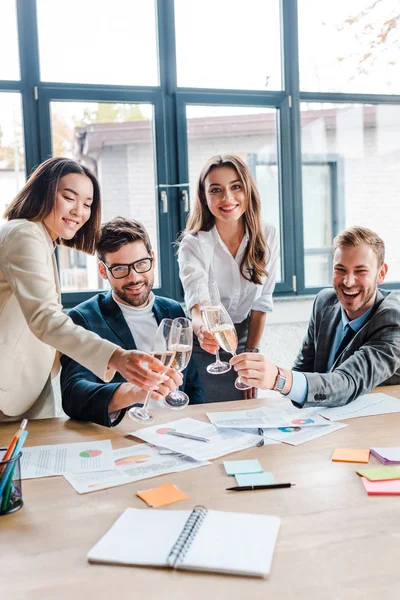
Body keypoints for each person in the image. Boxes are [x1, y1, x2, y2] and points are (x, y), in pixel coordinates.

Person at [0, 158, 175, 422]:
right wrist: (117, 357)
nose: (79, 212)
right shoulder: (25, 234)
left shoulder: (42, 240)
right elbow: (45, 318)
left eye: (87, 204)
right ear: (44, 192)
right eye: (69, 198)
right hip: (8, 386)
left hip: (26, 383)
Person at [231, 226, 400, 407]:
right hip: (325, 419)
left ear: (381, 274)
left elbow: (347, 382)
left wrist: (277, 378)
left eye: (360, 271)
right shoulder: (324, 302)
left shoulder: (392, 320)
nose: (348, 282)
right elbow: (302, 370)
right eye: (340, 269)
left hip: (375, 425)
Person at [61, 217, 204, 427]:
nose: (134, 277)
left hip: (177, 429)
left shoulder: (172, 310)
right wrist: (134, 392)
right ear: (103, 271)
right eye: (120, 269)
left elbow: (191, 384)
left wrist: (198, 424)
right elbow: (73, 395)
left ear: (152, 259)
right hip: (124, 435)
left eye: (141, 264)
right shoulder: (83, 318)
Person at [178, 153, 279, 402]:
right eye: (216, 190)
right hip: (204, 344)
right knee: (206, 413)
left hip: (246, 337)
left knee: (246, 412)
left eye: (236, 187)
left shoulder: (268, 235)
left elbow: (262, 301)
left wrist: (252, 354)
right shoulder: (193, 245)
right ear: (204, 196)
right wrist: (203, 331)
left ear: (248, 190)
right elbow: (197, 302)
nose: (227, 198)